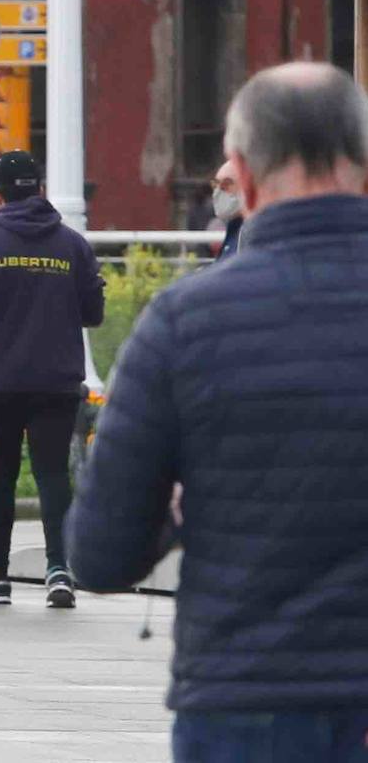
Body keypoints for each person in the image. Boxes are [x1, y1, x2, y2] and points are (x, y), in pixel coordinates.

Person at [67, 62, 368, 762]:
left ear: (241, 172)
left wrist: (179, 513)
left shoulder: (186, 322)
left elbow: (100, 553)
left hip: (245, 702)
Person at [0, 151, 105, 608]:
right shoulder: (73, 245)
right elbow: (93, 314)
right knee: (53, 473)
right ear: (39, 191)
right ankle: (60, 569)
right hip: (57, 381)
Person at [210, 159, 245, 260]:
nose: (217, 192)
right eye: (215, 185)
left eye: (226, 185)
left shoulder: (251, 234)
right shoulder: (233, 229)